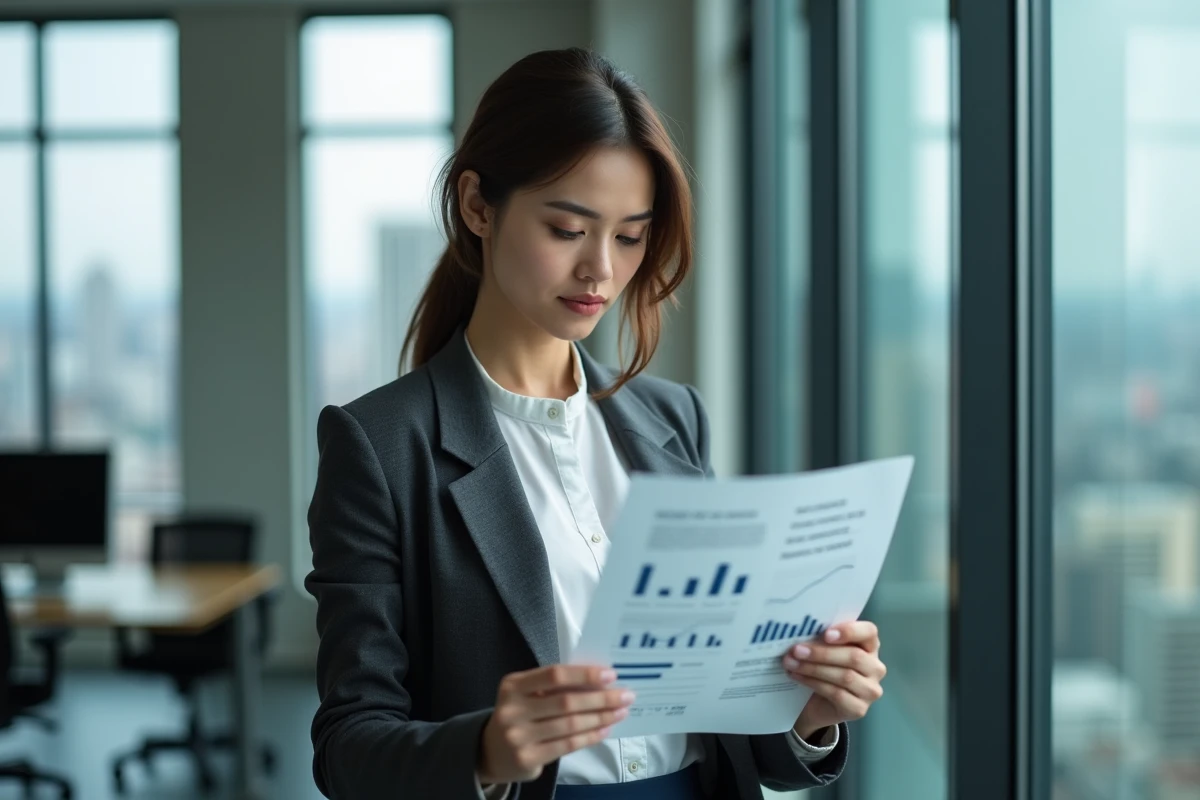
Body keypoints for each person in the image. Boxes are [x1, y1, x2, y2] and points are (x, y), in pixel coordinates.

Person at [305, 47, 887, 800]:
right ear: (479, 206)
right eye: (568, 228)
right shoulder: (382, 447)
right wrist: (483, 750)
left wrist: (804, 715)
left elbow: (721, 732)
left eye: (629, 236)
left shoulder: (672, 418)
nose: (602, 273)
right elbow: (348, 746)